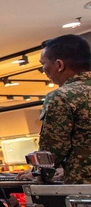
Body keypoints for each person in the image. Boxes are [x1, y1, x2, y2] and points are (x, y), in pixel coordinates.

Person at [36, 34, 91, 183]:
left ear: (59, 65)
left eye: (44, 64)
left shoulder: (62, 96)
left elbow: (52, 150)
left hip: (84, 189)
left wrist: (39, 174)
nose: (44, 69)